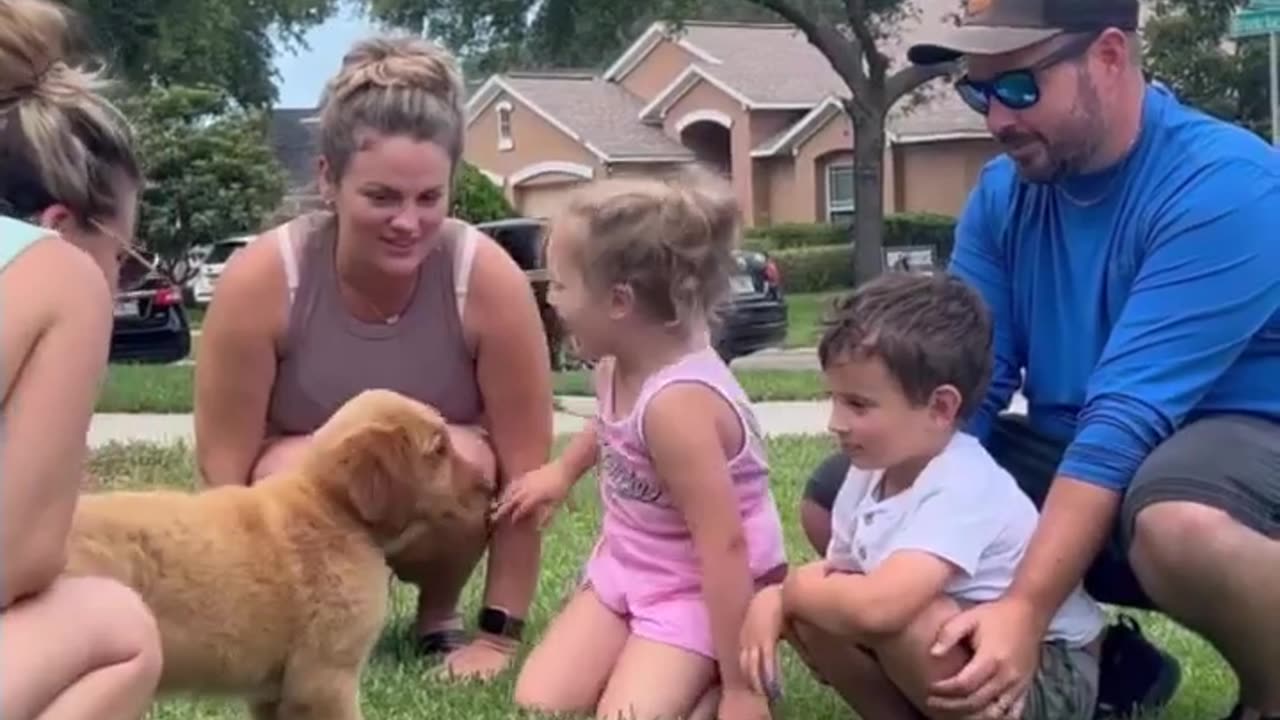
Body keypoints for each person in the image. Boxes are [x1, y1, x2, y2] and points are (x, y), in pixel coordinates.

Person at [799, 1, 1280, 718]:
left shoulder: (1229, 186)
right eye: (978, 90)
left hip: (1228, 466)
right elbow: (958, 390)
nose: (997, 120)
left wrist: (1023, 605)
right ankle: (1096, 669)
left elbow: (1124, 420)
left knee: (1180, 521)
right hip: (1091, 458)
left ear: (1110, 57)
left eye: (1020, 87)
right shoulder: (1002, 196)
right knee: (852, 483)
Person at [193, 34, 554, 680]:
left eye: (429, 198)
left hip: (443, 508)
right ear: (329, 180)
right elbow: (223, 480)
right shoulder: (263, 280)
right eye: (382, 197)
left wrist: (498, 637)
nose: (408, 222)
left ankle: (438, 613)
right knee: (283, 464)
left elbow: (527, 481)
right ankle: (301, 621)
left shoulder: (486, 279)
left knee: (468, 458)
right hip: (303, 507)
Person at [740, 272, 1106, 719]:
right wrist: (781, 600)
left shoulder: (964, 484)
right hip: (965, 648)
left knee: (909, 620)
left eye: (858, 404)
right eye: (833, 399)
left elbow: (881, 608)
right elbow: (841, 578)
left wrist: (788, 590)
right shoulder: (870, 473)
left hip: (1044, 669)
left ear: (940, 408)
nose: (836, 421)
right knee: (823, 613)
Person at [494, 170, 786, 720]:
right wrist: (563, 472)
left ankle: (718, 687)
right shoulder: (615, 362)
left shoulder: (679, 408)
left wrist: (742, 686)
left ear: (619, 301)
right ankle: (653, 657)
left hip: (696, 589)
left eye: (559, 284)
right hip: (629, 566)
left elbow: (725, 550)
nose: (550, 299)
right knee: (539, 701)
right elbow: (609, 427)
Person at [0, 1, 164, 718]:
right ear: (62, 224)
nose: (117, 281)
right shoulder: (57, 271)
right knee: (119, 627)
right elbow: (15, 560)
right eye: (122, 258)